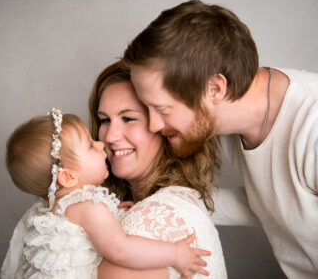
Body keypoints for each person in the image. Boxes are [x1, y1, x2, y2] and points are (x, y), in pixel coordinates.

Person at [121, 0, 318, 279]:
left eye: (162, 109)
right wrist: (162, 203)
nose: (154, 125)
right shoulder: (230, 120)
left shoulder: (312, 129)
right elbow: (270, 203)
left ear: (214, 87)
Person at [0, 108, 211, 278]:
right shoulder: (88, 207)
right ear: (68, 178)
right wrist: (175, 254)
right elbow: (121, 250)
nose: (101, 143)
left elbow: (83, 236)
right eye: (91, 146)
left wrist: (115, 213)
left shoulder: (54, 208)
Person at [89, 61, 227, 279]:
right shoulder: (175, 201)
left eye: (128, 118)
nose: (110, 136)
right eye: (104, 120)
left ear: (165, 127)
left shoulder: (153, 219)